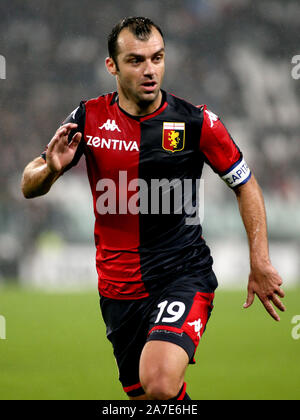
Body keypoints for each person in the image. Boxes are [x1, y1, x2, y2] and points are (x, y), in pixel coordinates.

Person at [21, 17, 286, 400]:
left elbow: (245, 184)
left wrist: (259, 260)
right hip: (118, 290)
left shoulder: (197, 122)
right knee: (150, 399)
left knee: (160, 383)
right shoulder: (89, 118)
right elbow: (29, 184)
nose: (150, 70)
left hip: (182, 276)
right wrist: (50, 169)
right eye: (136, 60)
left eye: (157, 58)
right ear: (111, 65)